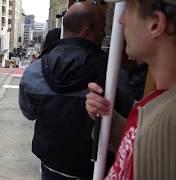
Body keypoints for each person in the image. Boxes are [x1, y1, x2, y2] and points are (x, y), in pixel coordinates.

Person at [85, 0, 176, 179]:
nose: (121, 20)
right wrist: (110, 119)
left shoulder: (169, 122)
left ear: (155, 24)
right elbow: (140, 152)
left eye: (129, 9)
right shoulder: (157, 103)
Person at [19, 2, 107, 179]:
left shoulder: (35, 71)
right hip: (93, 170)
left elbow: (29, 112)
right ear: (87, 31)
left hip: (50, 166)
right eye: (102, 28)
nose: (104, 34)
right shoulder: (110, 73)